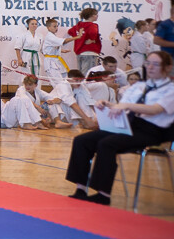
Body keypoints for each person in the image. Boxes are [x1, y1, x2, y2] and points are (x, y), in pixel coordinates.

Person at [65, 52, 174, 205]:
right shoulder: (139, 87)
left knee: (107, 143)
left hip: (152, 131)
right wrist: (107, 104)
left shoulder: (170, 89)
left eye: (155, 64)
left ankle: (103, 194)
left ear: (168, 67)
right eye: (148, 63)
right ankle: (81, 188)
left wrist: (126, 105)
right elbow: (121, 106)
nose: (150, 67)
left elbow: (156, 109)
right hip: (128, 125)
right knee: (82, 140)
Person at [70, 7, 102, 74]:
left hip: (80, 52)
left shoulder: (77, 26)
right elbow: (93, 34)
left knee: (80, 74)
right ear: (92, 16)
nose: (97, 16)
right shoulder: (93, 26)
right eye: (96, 14)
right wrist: (93, 40)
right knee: (87, 75)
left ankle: (80, 84)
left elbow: (70, 32)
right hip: (90, 52)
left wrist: (80, 38)